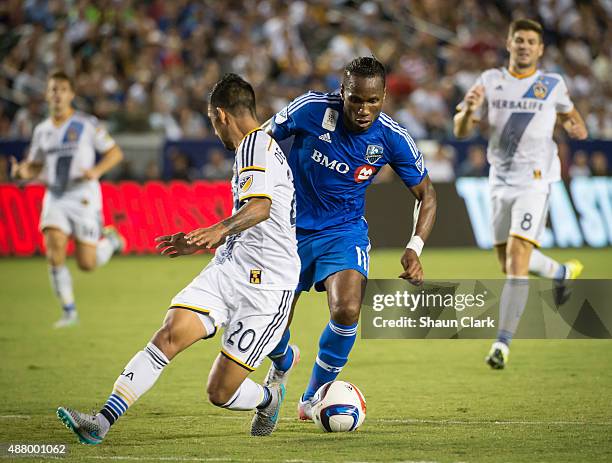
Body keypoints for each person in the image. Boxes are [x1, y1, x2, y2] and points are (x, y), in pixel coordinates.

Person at [56, 74, 300, 443]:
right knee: (168, 335)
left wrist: (219, 230)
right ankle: (101, 422)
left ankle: (269, 396)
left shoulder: (254, 146)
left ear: (221, 115)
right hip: (229, 269)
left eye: (210, 120)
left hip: (269, 286)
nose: (214, 129)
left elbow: (261, 207)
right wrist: (204, 241)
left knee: (220, 392)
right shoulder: (256, 148)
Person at [261, 57, 437, 420]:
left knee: (347, 308)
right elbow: (259, 141)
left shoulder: (392, 137)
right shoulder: (310, 109)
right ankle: (282, 362)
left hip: (343, 231)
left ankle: (311, 398)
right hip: (286, 229)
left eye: (373, 101)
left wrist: (414, 247)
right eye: (356, 99)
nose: (363, 109)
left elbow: (427, 194)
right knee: (270, 324)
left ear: (384, 96)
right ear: (342, 92)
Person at [453, 19, 588, 369]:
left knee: (516, 257)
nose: (525, 46)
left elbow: (573, 117)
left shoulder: (551, 85)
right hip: (499, 180)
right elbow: (461, 130)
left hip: (536, 180)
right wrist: (468, 111)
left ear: (540, 49)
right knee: (507, 261)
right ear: (509, 44)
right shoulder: (490, 82)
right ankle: (559, 272)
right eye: (520, 40)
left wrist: (575, 126)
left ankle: (502, 344)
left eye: (531, 41)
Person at [10, 70, 126, 328]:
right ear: (46, 94)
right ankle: (69, 311)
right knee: (54, 248)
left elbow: (115, 153)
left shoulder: (86, 123)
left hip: (84, 196)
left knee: (87, 263)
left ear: (71, 94)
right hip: (56, 195)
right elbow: (36, 166)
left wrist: (95, 171)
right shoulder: (41, 130)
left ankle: (111, 241)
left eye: (62, 89)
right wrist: (21, 172)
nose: (57, 94)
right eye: (53, 89)